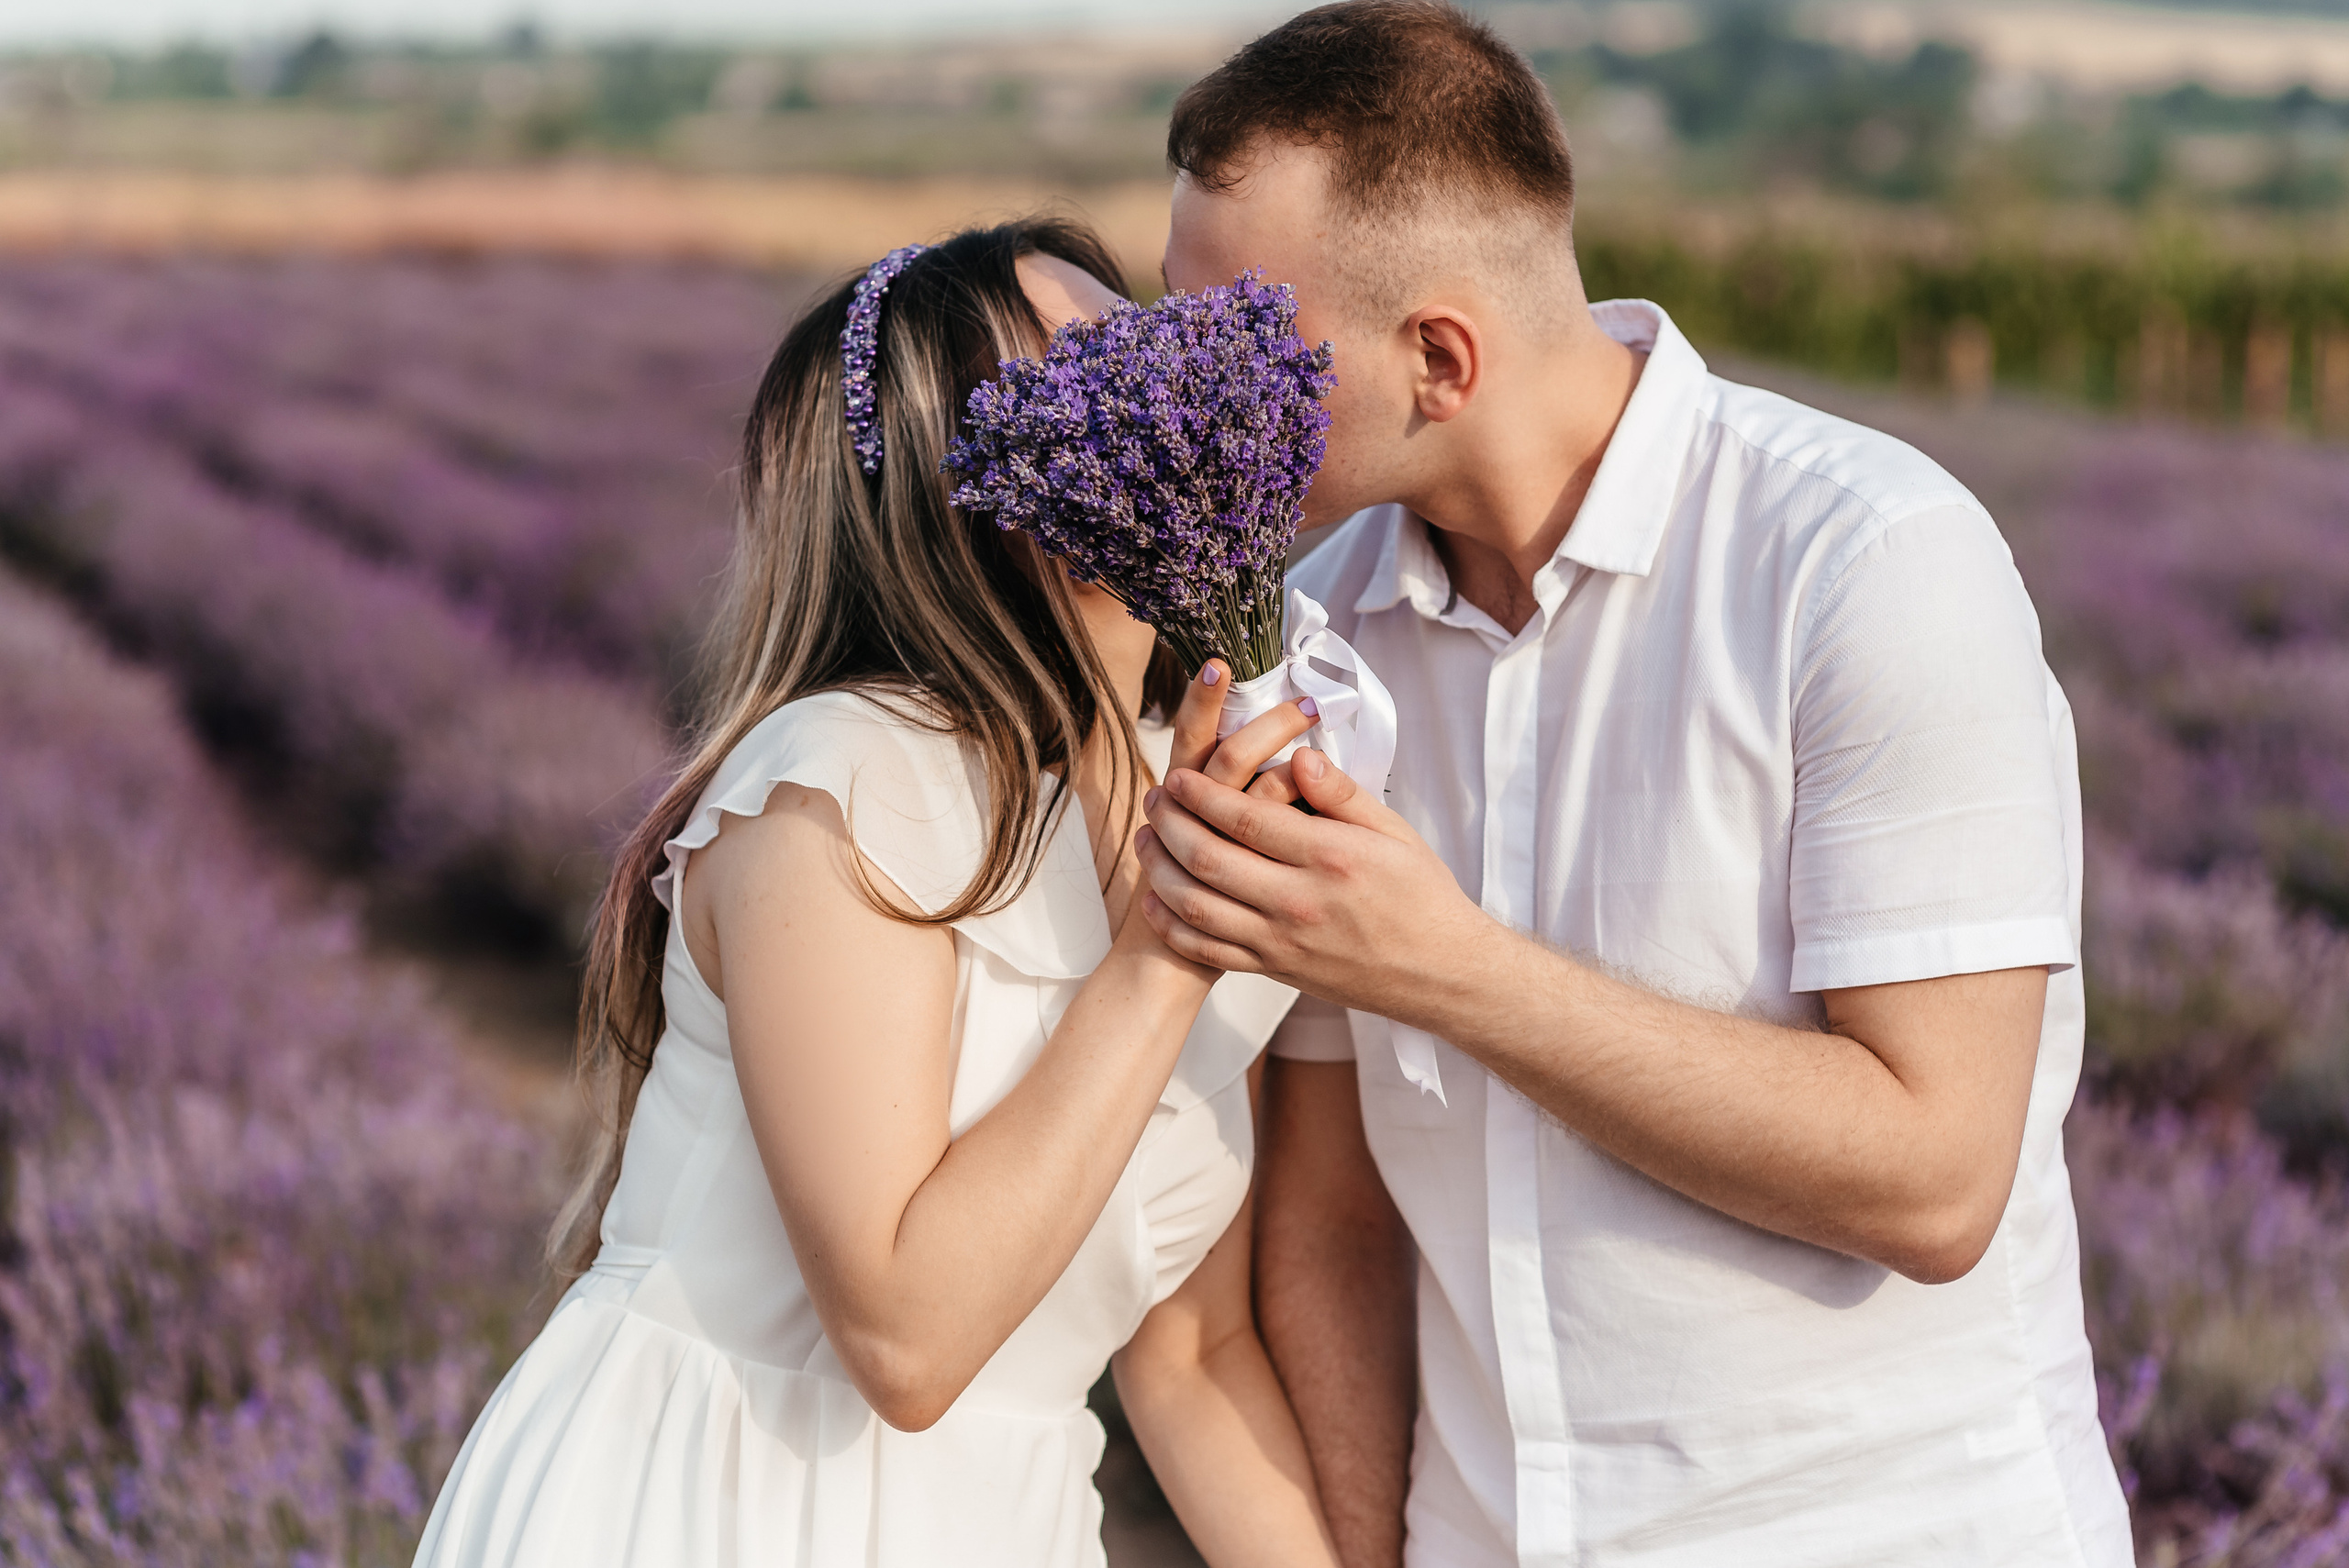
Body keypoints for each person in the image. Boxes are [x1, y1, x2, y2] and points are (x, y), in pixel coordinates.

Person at [1135, 6, 2134, 1566]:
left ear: (1441, 359)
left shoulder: (1866, 565)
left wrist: (1446, 967)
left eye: (1233, 347)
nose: (1181, 392)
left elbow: (1936, 1177)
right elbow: (1328, 1225)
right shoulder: (1306, 635)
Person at [413, 218, 1343, 1568]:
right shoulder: (837, 785)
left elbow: (1195, 1356)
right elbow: (905, 1336)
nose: (1170, 400)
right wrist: (1169, 943)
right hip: (710, 1508)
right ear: (970, 483)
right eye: (1101, 379)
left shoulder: (1184, 796)